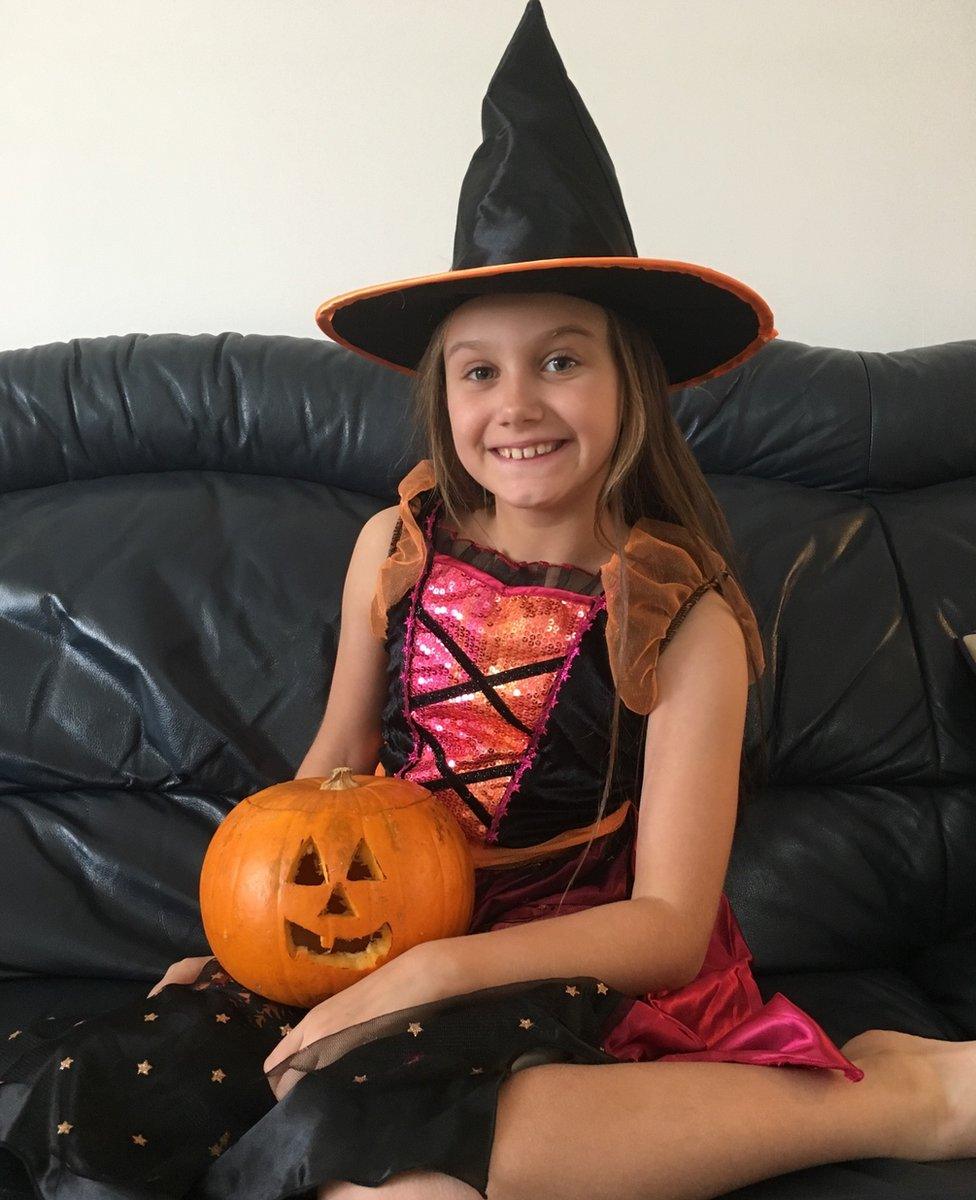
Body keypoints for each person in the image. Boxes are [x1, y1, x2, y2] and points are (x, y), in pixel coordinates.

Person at [2, 4, 975, 1200]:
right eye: (479, 370)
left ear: (634, 383)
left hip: (580, 952)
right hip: (393, 921)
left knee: (419, 1148)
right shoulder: (393, 550)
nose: (515, 403)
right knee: (132, 1108)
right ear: (443, 397)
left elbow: (668, 921)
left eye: (559, 359)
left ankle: (888, 1097)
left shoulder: (687, 621)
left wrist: (424, 979)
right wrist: (243, 939)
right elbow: (331, 769)